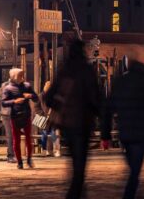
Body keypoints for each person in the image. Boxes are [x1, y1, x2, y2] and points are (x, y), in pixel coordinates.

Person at [102, 48, 144, 199]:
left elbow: (108, 108)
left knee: (132, 166)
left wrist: (105, 134)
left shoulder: (120, 81)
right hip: (140, 131)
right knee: (135, 169)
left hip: (125, 130)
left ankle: (132, 191)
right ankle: (129, 194)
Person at [45, 40, 100, 199]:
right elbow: (95, 98)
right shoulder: (87, 70)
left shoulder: (64, 70)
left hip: (67, 124)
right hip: (83, 123)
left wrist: (60, 105)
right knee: (80, 165)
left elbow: (48, 98)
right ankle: (75, 193)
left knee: (74, 162)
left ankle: (79, 192)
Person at [1, 68, 39, 169]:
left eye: (23, 75)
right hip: (15, 116)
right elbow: (3, 103)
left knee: (28, 138)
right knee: (16, 140)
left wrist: (30, 95)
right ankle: (20, 162)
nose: (22, 77)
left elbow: (36, 98)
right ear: (14, 77)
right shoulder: (8, 88)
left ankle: (29, 159)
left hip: (26, 115)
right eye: (20, 76)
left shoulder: (27, 86)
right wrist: (14, 101)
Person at [0, 79, 16, 163]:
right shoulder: (13, 88)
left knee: (10, 135)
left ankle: (11, 155)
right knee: (11, 135)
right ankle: (11, 155)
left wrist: (1, 112)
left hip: (6, 114)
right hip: (10, 114)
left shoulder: (0, 89)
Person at [39, 81, 60, 157]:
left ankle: (55, 150)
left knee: (53, 133)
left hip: (52, 116)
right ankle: (45, 150)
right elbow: (41, 106)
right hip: (44, 117)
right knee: (44, 134)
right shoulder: (42, 95)